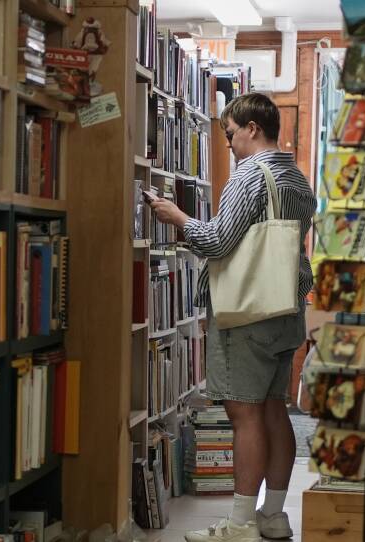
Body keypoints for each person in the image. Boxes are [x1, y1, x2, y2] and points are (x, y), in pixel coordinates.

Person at [149, 93, 317, 542]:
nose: (228, 145)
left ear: (252, 129)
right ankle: (273, 516)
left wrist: (178, 218)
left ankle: (241, 524)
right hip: (287, 308)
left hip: (247, 312)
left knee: (244, 417)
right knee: (274, 411)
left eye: (230, 135)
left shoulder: (249, 177)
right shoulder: (297, 177)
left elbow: (219, 242)